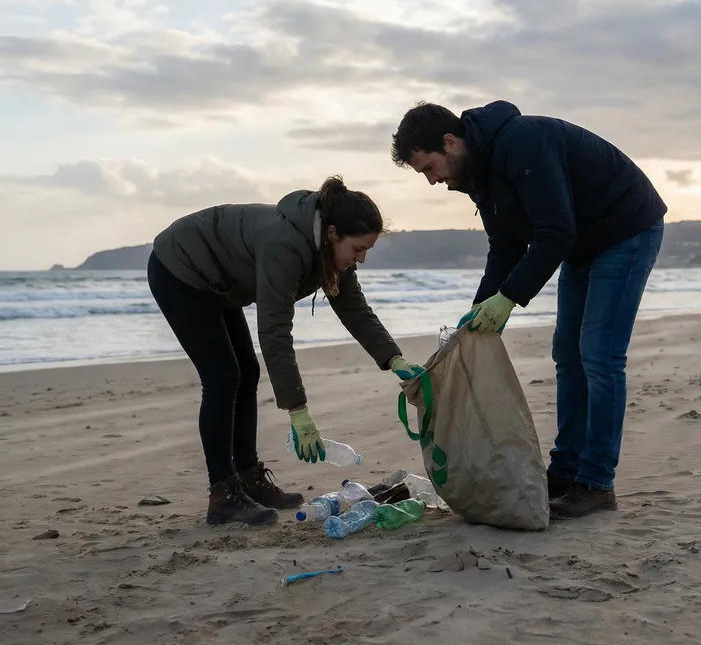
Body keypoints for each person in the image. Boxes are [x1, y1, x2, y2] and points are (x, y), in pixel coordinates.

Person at [391, 100, 667, 519]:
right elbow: (505, 245)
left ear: (450, 142)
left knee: (599, 354)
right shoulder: (478, 173)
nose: (432, 181)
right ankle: (567, 470)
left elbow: (554, 230)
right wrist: (479, 310)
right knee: (567, 356)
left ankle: (596, 483)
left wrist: (509, 299)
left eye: (430, 167)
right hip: (582, 244)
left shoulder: (523, 142)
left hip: (625, 229)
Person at [148, 176, 423, 527]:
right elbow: (275, 332)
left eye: (367, 250)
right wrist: (298, 411)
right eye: (358, 249)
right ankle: (223, 496)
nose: (362, 259)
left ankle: (248, 477)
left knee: (245, 372)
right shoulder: (285, 245)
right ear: (333, 232)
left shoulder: (327, 248)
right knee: (222, 377)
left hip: (219, 280)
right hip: (180, 268)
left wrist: (393, 358)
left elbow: (353, 308)